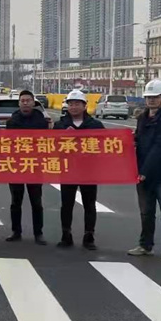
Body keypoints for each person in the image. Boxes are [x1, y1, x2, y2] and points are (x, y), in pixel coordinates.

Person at [128, 79, 161, 263]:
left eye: (154, 97)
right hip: (143, 175)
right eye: (148, 97)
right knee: (146, 212)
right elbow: (139, 140)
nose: (150, 100)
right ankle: (145, 245)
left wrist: (145, 171)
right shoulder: (143, 118)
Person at [54, 89, 105, 249]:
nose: (74, 107)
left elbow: (105, 146)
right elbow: (51, 147)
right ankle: (66, 235)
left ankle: (89, 236)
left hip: (89, 171)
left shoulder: (95, 125)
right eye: (71, 104)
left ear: (84, 106)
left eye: (77, 104)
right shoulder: (60, 125)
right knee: (66, 204)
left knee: (89, 204)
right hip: (68, 170)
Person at [6, 89, 47, 245]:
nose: (25, 103)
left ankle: (39, 233)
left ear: (33, 102)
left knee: (36, 202)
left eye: (28, 100)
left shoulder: (41, 121)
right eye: (22, 100)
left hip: (35, 167)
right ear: (19, 103)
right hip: (16, 166)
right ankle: (16, 231)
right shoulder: (12, 122)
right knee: (16, 201)